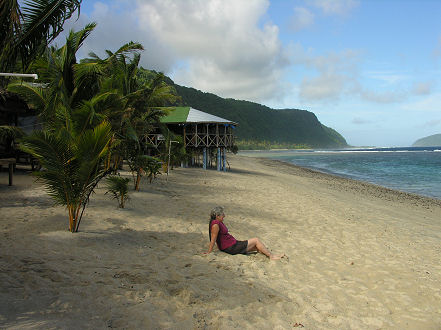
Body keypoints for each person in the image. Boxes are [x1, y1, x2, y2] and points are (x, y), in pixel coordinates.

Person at [204, 206, 285, 260]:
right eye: (222, 215)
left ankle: (269, 254)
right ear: (217, 216)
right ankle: (271, 256)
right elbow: (213, 239)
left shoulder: (217, 222)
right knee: (256, 240)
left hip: (232, 244)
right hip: (231, 247)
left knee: (257, 247)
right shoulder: (215, 225)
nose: (224, 216)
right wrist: (209, 252)